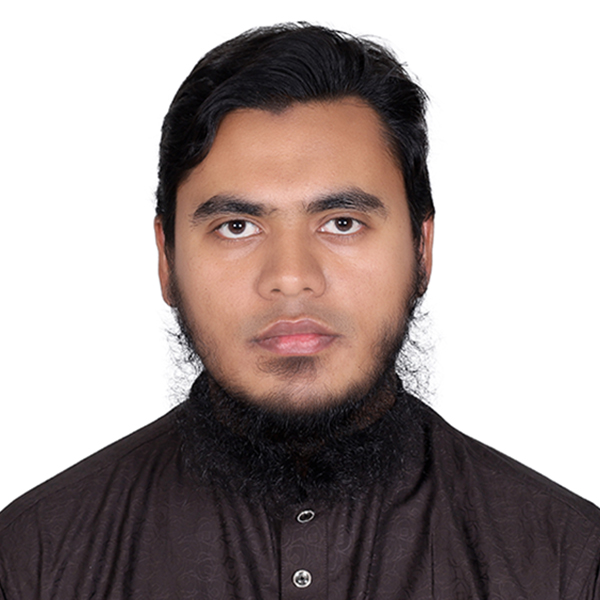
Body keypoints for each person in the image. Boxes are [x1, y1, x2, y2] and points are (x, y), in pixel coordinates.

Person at [0, 22, 598, 599]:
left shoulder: (568, 561)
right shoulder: (34, 559)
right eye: (237, 226)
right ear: (167, 258)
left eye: (342, 223)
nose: (290, 277)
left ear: (422, 249)